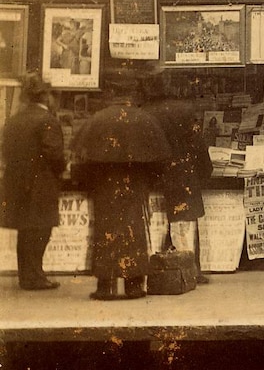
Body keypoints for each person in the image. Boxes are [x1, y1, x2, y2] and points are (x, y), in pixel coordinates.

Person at [73, 84, 171, 300]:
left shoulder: (97, 120)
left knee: (105, 234)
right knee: (134, 233)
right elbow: (159, 161)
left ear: (111, 96)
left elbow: (83, 162)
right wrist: (148, 181)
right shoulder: (144, 120)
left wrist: (89, 184)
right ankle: (134, 285)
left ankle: (105, 286)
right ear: (132, 95)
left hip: (104, 188)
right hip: (135, 186)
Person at [140, 72, 213, 284]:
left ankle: (154, 267)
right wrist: (204, 170)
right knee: (185, 224)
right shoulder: (186, 110)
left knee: (157, 223)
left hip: (155, 173)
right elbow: (198, 143)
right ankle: (189, 270)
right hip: (183, 173)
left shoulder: (144, 112)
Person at [1, 73, 66, 290]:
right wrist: (62, 170)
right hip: (41, 184)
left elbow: (6, 150)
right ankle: (35, 277)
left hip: (17, 183)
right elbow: (55, 155)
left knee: (26, 231)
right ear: (46, 97)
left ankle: (27, 276)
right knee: (40, 231)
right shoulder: (47, 121)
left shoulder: (14, 120)